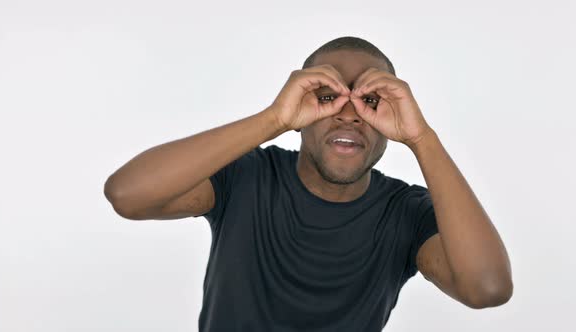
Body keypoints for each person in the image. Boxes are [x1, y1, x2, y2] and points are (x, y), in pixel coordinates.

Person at [104, 36, 513, 331]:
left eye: (370, 102)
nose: (349, 115)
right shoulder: (246, 176)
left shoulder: (405, 212)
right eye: (327, 96)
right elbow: (127, 194)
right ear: (300, 108)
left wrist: (422, 138)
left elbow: (488, 288)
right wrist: (273, 120)